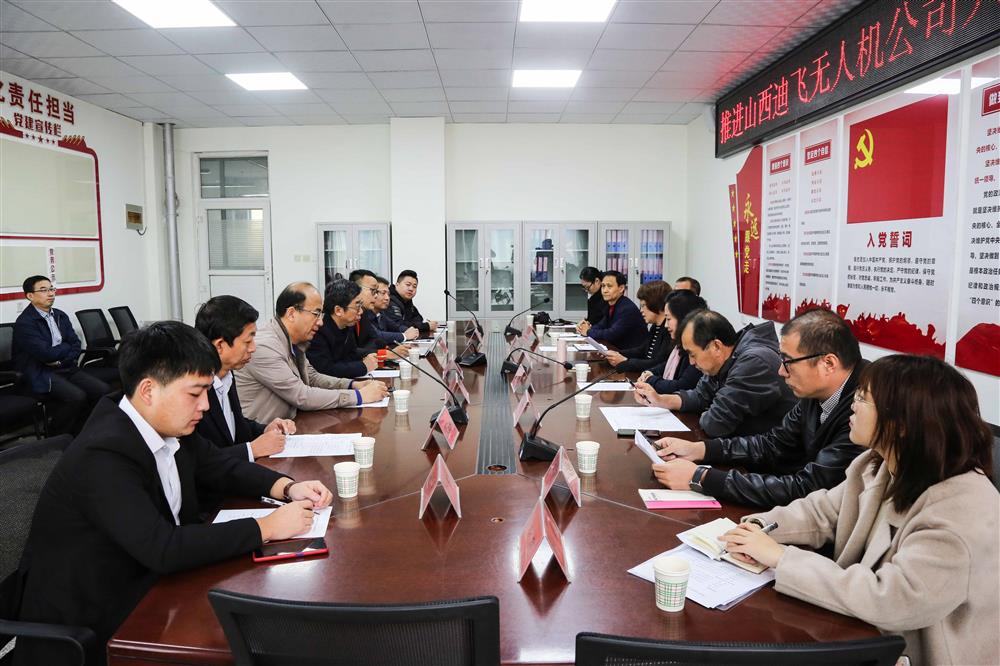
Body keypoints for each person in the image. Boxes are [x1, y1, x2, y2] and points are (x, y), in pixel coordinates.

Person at [12, 321, 333, 665]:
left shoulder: (164, 424)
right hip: (96, 622)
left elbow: (220, 466)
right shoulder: (103, 453)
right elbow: (162, 547)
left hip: (158, 587)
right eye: (195, 393)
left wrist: (286, 487)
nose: (205, 405)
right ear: (148, 390)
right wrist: (266, 528)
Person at [721, 355, 998, 666]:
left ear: (901, 424)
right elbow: (821, 511)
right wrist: (761, 527)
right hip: (866, 637)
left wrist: (781, 558)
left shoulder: (961, 513)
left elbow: (892, 599)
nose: (852, 405)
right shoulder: (877, 465)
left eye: (863, 398)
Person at [652, 309, 867, 507]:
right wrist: (700, 449)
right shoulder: (815, 391)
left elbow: (808, 489)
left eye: (788, 362)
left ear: (828, 364)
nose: (781, 371)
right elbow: (771, 444)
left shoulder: (865, 409)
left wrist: (701, 477)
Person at [235, 282, 388, 422]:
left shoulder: (294, 340)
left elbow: (312, 377)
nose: (320, 322)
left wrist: (352, 385)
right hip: (263, 435)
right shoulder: (265, 347)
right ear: (291, 313)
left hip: (291, 425)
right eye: (316, 314)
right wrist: (359, 396)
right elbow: (302, 396)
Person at [634, 310, 796, 438]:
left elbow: (715, 424)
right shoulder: (724, 360)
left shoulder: (754, 363)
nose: (691, 362)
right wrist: (660, 400)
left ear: (716, 347)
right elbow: (699, 396)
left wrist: (708, 410)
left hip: (772, 461)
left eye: (692, 354)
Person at [193, 295, 295, 461]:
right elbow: (198, 460)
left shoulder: (227, 374)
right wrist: (251, 450)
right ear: (220, 345)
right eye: (248, 341)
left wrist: (264, 429)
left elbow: (235, 426)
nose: (253, 348)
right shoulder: (195, 390)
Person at [11, 275, 109, 435]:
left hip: (64, 366)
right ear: (30, 296)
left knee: (102, 390)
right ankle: (56, 435)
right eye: (44, 290)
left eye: (51, 289)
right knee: (76, 396)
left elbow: (76, 344)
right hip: (40, 372)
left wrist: (62, 359)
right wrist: (65, 348)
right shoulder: (25, 323)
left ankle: (80, 430)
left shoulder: (60, 315)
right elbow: (46, 354)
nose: (50, 293)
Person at [637, 289, 706, 394]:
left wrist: (650, 380)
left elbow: (682, 386)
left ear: (683, 318)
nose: (665, 325)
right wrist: (650, 372)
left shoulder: (697, 347)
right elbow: (665, 365)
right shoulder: (678, 346)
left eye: (668, 319)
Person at [307, 279, 375, 379]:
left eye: (361, 305)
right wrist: (363, 366)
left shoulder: (346, 326)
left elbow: (351, 357)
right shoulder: (318, 330)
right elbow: (324, 370)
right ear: (338, 310)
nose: (361, 311)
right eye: (357, 306)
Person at [603, 280, 673, 372]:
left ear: (655, 304)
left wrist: (626, 361)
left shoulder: (669, 330)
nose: (641, 310)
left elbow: (657, 363)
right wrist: (615, 353)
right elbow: (642, 350)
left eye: (643, 305)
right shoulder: (655, 326)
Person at [575, 270, 646, 349]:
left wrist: (588, 331)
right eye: (603, 286)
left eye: (609, 286)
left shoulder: (627, 309)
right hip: (616, 350)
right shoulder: (611, 305)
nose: (605, 290)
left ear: (621, 288)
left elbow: (611, 334)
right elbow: (601, 325)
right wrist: (584, 328)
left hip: (630, 354)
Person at [385, 270, 436, 335]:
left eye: (414, 286)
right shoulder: (389, 300)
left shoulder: (407, 300)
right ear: (397, 285)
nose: (411, 289)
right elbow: (399, 325)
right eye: (408, 285)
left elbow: (419, 318)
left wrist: (412, 324)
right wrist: (426, 326)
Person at [373, 275, 419, 344]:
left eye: (388, 294)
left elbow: (396, 326)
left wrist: (409, 330)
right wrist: (404, 336)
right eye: (383, 293)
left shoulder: (380, 313)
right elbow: (376, 335)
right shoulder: (364, 314)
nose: (387, 298)